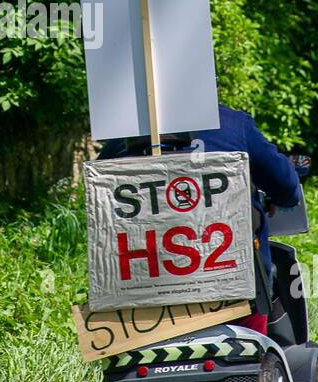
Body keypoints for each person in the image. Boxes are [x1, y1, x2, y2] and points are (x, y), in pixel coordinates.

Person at [96, 103, 302, 316]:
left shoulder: (128, 131)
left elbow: (99, 192)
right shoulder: (233, 124)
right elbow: (285, 184)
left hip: (137, 297)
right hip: (236, 293)